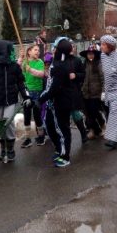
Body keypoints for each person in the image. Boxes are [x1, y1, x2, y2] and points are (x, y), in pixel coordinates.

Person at [0, 40, 31, 163]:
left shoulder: (14, 66)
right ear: (4, 52)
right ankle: (3, 148)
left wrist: (26, 96)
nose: (12, 53)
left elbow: (20, 82)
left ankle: (10, 149)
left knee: (8, 122)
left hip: (11, 100)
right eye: (10, 51)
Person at [38, 37, 79, 167]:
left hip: (61, 102)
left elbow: (53, 88)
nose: (52, 49)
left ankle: (65, 156)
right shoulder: (57, 62)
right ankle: (59, 148)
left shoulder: (61, 66)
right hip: (53, 102)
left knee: (62, 129)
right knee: (49, 126)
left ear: (59, 50)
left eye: (55, 47)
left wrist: (40, 99)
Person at [19, 44, 46, 148]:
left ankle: (41, 136)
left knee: (37, 115)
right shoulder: (26, 62)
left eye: (38, 50)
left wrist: (30, 70)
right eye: (35, 50)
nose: (37, 52)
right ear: (29, 52)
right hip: (27, 91)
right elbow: (17, 69)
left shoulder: (39, 62)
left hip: (37, 92)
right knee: (26, 115)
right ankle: (27, 138)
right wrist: (21, 58)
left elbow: (41, 74)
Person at [80, 45, 105, 140]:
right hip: (86, 93)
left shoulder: (99, 64)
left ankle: (99, 126)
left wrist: (103, 91)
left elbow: (103, 79)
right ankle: (95, 130)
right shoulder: (84, 64)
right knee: (88, 113)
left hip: (96, 93)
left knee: (94, 112)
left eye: (92, 54)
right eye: (89, 54)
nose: (90, 56)